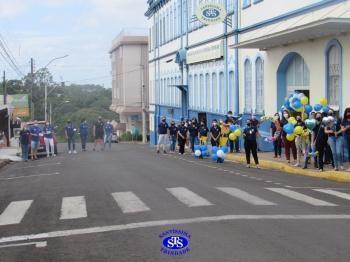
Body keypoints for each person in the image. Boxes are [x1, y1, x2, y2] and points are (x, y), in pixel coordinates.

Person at [341, 107, 350, 171]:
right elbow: (342, 130)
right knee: (348, 152)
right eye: (347, 112)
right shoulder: (344, 120)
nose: (349, 113)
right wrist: (346, 128)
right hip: (346, 137)